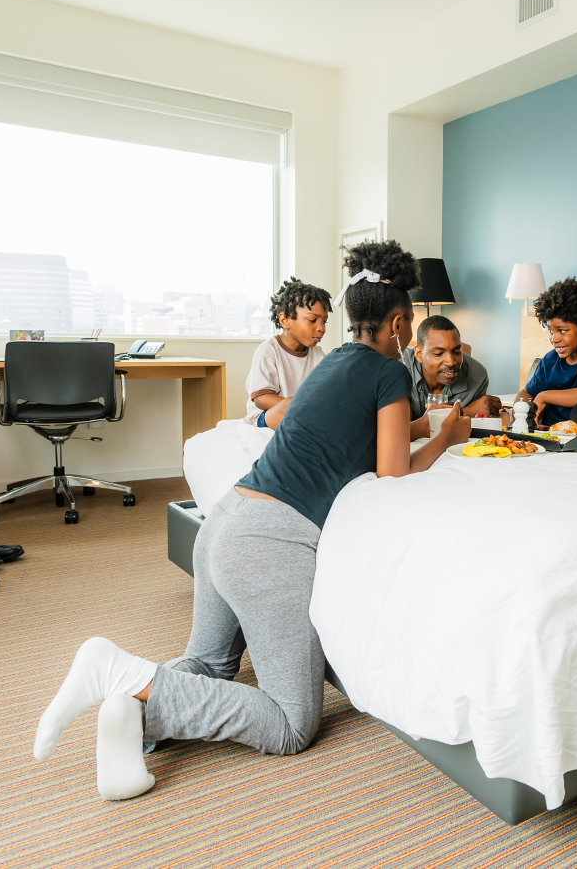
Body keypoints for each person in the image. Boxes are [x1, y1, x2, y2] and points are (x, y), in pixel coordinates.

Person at [32, 240, 471, 800]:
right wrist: (446, 440)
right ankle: (123, 674)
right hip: (268, 542)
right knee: (292, 724)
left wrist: (428, 422)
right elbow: (391, 474)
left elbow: (364, 430)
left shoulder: (331, 364)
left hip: (225, 520)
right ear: (400, 323)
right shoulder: (388, 373)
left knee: (211, 665)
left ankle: (132, 713)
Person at [516, 277, 577, 427]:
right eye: (550, 331)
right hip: (550, 433)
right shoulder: (549, 362)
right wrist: (525, 411)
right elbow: (524, 394)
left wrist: (544, 396)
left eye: (562, 330)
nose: (554, 339)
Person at [243, 278, 331, 429]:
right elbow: (260, 399)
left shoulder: (318, 354)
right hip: (267, 416)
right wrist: (298, 406)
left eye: (324, 322)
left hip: (302, 413)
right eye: (312, 320)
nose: (321, 328)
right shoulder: (268, 351)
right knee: (287, 407)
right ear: (285, 320)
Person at [403, 315, 500, 438]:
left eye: (457, 351)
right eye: (439, 354)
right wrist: (465, 412)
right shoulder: (399, 367)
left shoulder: (476, 377)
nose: (451, 362)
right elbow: (394, 433)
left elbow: (471, 433)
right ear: (419, 354)